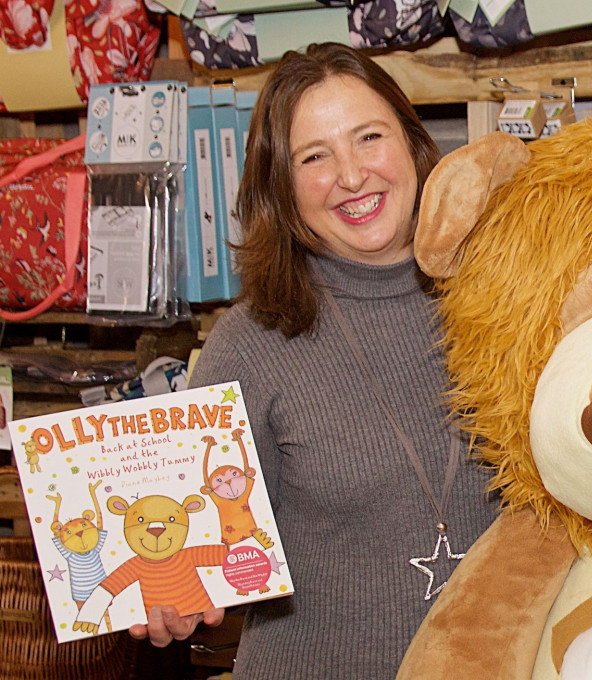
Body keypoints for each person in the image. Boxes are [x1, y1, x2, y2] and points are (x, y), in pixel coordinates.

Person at [128, 42, 498, 678]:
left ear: (412, 144)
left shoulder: (504, 298)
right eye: (315, 157)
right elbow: (191, 541)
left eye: (369, 138)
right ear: (282, 185)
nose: (352, 176)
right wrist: (171, 598)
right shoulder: (252, 341)